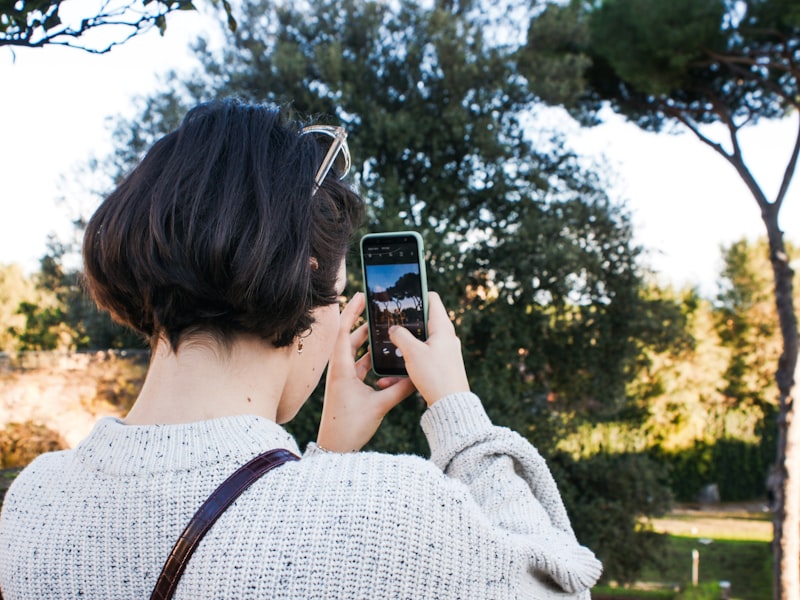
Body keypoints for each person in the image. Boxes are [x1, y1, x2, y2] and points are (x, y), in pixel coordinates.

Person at [0, 98, 602, 599]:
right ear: (304, 274)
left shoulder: (32, 500)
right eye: (338, 297)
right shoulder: (395, 513)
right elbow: (564, 589)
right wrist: (458, 411)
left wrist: (329, 459)